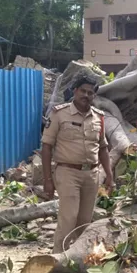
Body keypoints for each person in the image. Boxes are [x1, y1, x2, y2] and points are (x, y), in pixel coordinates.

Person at [41, 75, 114, 253]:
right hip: (67, 173)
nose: (86, 95)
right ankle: (58, 258)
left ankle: (79, 259)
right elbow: (46, 147)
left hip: (91, 175)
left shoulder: (99, 118)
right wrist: (47, 179)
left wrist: (109, 176)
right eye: (83, 91)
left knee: (84, 221)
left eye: (90, 93)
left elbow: (103, 148)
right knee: (68, 219)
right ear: (75, 91)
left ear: (94, 96)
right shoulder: (59, 114)